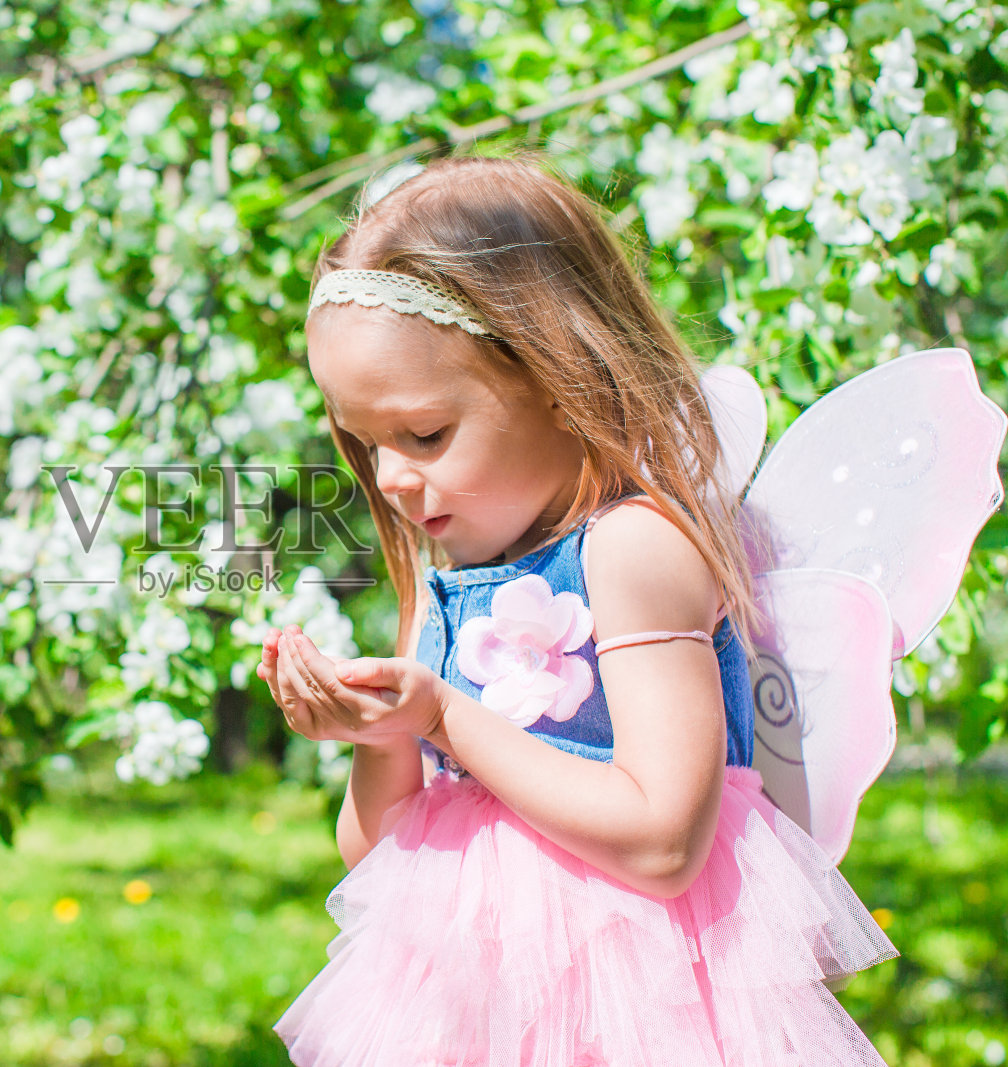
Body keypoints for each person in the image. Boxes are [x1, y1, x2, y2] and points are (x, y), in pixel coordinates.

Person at [254, 153, 900, 1066]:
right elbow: (383, 857)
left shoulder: (633, 551)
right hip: (470, 1002)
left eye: (426, 433)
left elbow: (661, 841)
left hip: (646, 995)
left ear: (558, 379)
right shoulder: (449, 578)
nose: (394, 477)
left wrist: (443, 712)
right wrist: (379, 733)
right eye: (368, 445)